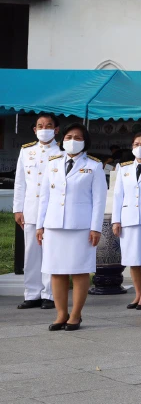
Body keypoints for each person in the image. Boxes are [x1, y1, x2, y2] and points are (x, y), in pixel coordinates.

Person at [35, 124, 106, 330]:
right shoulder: (53, 163)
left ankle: (75, 315)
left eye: (77, 137)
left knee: (80, 271)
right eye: (68, 136)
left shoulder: (94, 166)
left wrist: (96, 228)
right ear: (62, 140)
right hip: (54, 225)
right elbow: (45, 197)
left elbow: (99, 200)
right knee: (56, 271)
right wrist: (40, 225)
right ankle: (61, 314)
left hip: (81, 227)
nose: (72, 140)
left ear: (85, 142)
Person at [14, 112, 59, 309]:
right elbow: (20, 182)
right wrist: (18, 209)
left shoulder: (62, 152)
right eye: (40, 126)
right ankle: (32, 293)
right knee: (31, 253)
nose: (44, 129)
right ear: (34, 130)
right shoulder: (26, 151)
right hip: (31, 209)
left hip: (52, 211)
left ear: (56, 130)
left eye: (48, 125)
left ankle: (49, 294)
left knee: (50, 252)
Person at [111, 132, 141, 309]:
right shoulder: (124, 169)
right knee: (132, 259)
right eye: (136, 144)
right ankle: (137, 294)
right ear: (132, 147)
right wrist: (116, 220)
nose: (140, 147)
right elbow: (118, 196)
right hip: (129, 219)